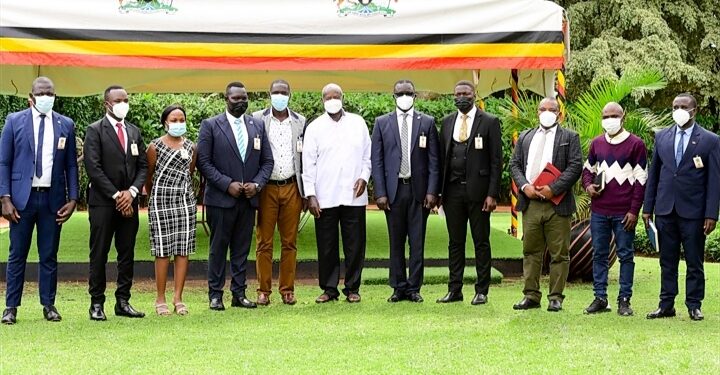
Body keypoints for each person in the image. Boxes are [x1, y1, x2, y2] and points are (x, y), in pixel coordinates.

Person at [0, 77, 79, 325]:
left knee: (49, 255)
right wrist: (5, 198)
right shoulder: (14, 121)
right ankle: (11, 307)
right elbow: (3, 161)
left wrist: (74, 197)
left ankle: (49, 304)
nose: (46, 97)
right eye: (41, 93)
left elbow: (70, 165)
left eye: (50, 93)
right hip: (22, 199)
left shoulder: (65, 124)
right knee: (17, 255)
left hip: (52, 200)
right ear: (30, 97)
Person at [643, 93, 720, 321]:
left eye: (683, 106)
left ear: (694, 111)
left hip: (694, 213)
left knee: (694, 261)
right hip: (665, 210)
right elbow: (654, 174)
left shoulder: (710, 140)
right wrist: (648, 208)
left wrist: (711, 214)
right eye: (675, 106)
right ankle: (666, 304)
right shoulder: (661, 137)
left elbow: (714, 181)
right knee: (667, 261)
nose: (678, 109)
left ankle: (694, 304)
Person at [197, 81, 273, 311]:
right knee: (218, 248)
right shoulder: (210, 125)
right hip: (221, 199)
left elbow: (267, 161)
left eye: (244, 98)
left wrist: (258, 185)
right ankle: (215, 294)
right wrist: (226, 184)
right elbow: (204, 162)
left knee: (242, 249)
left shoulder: (257, 125)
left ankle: (239, 293)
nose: (241, 102)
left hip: (248, 200)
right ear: (226, 99)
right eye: (236, 98)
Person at [510, 97, 582, 312]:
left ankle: (556, 297)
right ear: (537, 112)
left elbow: (575, 166)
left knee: (559, 253)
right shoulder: (525, 136)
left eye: (552, 109)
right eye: (543, 109)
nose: (547, 112)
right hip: (531, 203)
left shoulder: (569, 137)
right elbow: (514, 165)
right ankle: (531, 295)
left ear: (559, 114)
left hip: (557, 204)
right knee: (530, 251)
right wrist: (524, 187)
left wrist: (554, 188)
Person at [371, 79, 440, 303]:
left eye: (408, 93)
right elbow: (377, 160)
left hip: (419, 192)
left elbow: (433, 161)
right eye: (400, 93)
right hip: (393, 192)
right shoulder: (381, 123)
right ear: (394, 97)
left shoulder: (427, 122)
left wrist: (432, 191)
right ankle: (398, 286)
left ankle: (414, 288)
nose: (404, 97)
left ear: (415, 96)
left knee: (417, 242)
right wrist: (379, 192)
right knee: (396, 241)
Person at [435, 80, 502, 305]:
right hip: (452, 192)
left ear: (474, 95)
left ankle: (482, 290)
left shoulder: (490, 122)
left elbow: (496, 161)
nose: (461, 97)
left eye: (465, 93)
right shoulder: (446, 122)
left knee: (481, 241)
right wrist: (438, 193)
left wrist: (492, 194)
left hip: (479, 193)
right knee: (455, 242)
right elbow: (440, 160)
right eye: (457, 94)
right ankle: (455, 289)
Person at [84, 85, 148, 321]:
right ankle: (97, 303)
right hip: (103, 203)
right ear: (107, 104)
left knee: (126, 253)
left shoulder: (133, 131)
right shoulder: (95, 131)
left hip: (129, 202)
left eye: (126, 99)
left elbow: (143, 166)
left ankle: (123, 301)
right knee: (99, 253)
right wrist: (116, 195)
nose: (123, 104)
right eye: (118, 100)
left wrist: (131, 192)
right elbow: (93, 167)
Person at [303, 83, 371, 303]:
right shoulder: (314, 127)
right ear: (322, 101)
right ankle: (329, 288)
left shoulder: (357, 123)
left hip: (354, 194)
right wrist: (310, 194)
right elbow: (308, 164)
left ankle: (353, 288)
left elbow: (367, 158)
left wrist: (364, 177)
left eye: (336, 96)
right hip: (325, 195)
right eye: (328, 97)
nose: (332, 100)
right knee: (327, 244)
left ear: (343, 97)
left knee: (355, 243)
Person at [581, 102, 647, 316]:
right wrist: (589, 186)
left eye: (613, 115)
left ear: (623, 116)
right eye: (606, 116)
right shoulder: (597, 143)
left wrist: (634, 211)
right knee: (599, 253)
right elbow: (587, 171)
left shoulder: (636, 144)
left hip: (623, 212)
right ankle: (600, 297)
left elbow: (641, 180)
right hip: (599, 210)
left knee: (625, 255)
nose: (609, 119)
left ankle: (624, 300)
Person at [252, 79, 306, 306]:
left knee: (290, 242)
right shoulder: (256, 119)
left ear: (290, 94)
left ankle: (287, 290)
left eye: (284, 92)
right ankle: (263, 290)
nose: (280, 96)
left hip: (292, 186)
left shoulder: (300, 121)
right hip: (266, 188)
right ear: (269, 94)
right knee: (264, 242)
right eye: (276, 92)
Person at [145, 105, 197, 316]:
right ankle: (160, 298)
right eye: (173, 120)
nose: (178, 123)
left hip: (185, 202)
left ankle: (178, 297)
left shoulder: (192, 147)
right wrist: (153, 197)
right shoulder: (154, 146)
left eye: (181, 119)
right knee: (162, 250)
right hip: (160, 201)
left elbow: (190, 172)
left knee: (183, 249)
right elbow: (149, 175)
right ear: (165, 122)